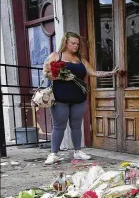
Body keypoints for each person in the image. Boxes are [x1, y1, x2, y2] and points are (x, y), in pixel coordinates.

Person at [43, 32, 118, 165]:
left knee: (76, 125)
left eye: (77, 44)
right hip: (60, 97)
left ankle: (78, 151)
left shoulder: (80, 59)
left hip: (79, 97)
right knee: (59, 126)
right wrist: (62, 77)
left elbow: (93, 72)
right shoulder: (56, 56)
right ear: (65, 42)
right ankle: (53, 154)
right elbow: (46, 73)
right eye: (73, 43)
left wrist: (110, 73)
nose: (75, 46)